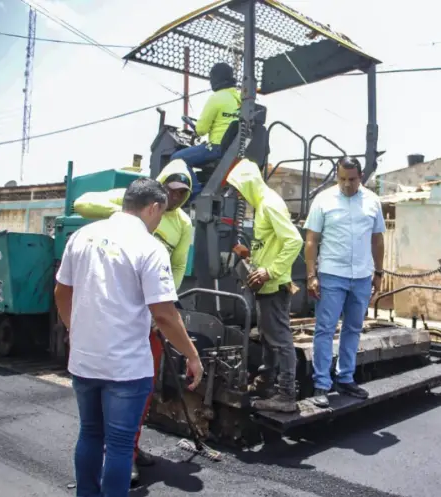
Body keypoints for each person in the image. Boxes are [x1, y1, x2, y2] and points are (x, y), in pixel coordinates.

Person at [54, 177, 204, 497]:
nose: (160, 220)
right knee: (120, 446)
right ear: (152, 208)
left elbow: (61, 292)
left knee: (90, 434)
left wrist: (73, 330)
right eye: (161, 214)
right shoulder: (150, 247)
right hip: (125, 368)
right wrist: (191, 355)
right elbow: (164, 315)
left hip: (84, 361)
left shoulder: (82, 235)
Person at [303, 156, 385, 408]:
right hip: (331, 275)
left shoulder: (372, 201)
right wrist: (311, 275)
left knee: (353, 328)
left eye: (352, 179)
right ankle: (321, 384)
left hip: (361, 277)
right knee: (325, 329)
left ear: (360, 177)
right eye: (342, 179)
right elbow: (311, 240)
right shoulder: (324, 200)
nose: (347, 184)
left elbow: (377, 240)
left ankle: (346, 378)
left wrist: (379, 273)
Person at [225, 158, 303, 413]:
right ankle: (264, 383)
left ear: (247, 184)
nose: (238, 195)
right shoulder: (261, 205)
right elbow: (272, 245)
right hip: (267, 286)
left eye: (239, 189)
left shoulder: (269, 205)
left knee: (280, 340)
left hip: (274, 286)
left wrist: (270, 271)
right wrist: (250, 257)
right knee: (269, 339)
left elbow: (293, 241)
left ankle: (286, 395)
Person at [171, 62, 241, 203]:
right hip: (235, 150)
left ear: (216, 79)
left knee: (177, 159)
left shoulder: (217, 98)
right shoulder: (241, 99)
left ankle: (195, 193)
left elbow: (201, 130)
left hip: (216, 148)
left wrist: (195, 127)